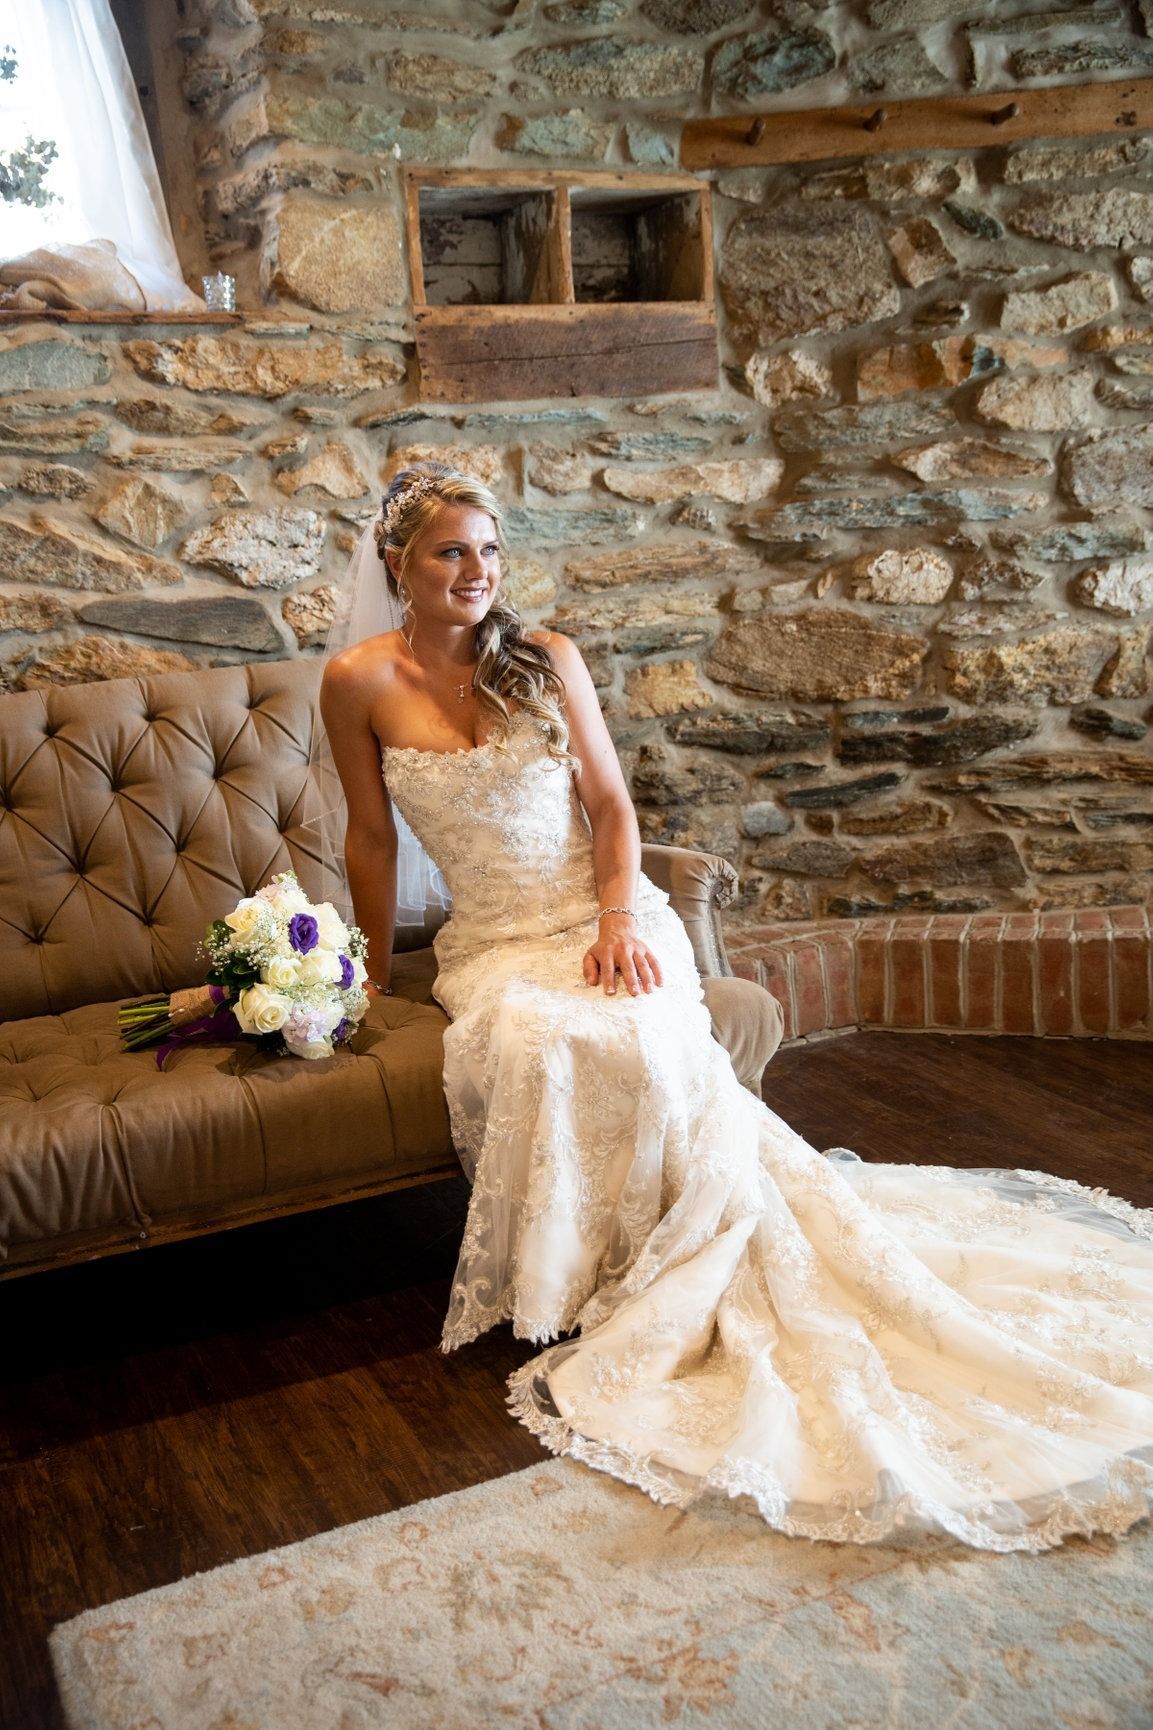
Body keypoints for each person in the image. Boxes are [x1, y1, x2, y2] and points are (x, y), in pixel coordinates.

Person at [320, 461, 1153, 1553]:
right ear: (398, 564)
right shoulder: (355, 680)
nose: (478, 571)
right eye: (451, 552)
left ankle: (689, 1250)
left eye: (491, 550)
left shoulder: (547, 658)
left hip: (607, 913)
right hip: (496, 943)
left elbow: (610, 805)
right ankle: (591, 1276)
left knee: (638, 1030)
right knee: (538, 1034)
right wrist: (370, 973)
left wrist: (618, 919)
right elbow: (370, 836)